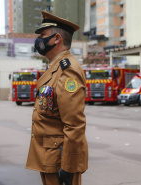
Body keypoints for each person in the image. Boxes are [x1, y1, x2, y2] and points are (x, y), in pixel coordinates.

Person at [26, 11, 88, 185]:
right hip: (49, 156)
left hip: (60, 160)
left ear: (56, 38)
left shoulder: (68, 70)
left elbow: (74, 124)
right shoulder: (55, 67)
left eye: (43, 35)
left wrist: (68, 168)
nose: (39, 39)